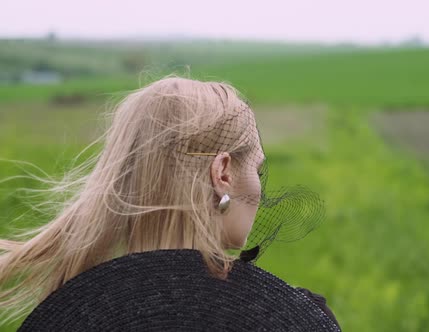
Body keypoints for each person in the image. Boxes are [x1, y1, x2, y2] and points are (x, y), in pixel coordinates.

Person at [0, 76, 340, 330]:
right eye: (255, 169)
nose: (260, 190)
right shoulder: (294, 319)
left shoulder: (68, 317)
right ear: (222, 172)